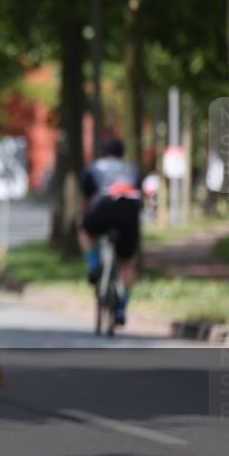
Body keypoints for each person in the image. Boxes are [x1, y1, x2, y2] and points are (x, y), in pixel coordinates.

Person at [78, 138, 142, 325]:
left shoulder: (93, 168)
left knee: (84, 230)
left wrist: (82, 218)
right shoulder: (133, 168)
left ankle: (93, 264)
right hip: (128, 211)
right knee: (127, 263)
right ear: (122, 154)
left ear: (103, 153)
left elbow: (85, 199)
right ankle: (122, 306)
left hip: (103, 206)